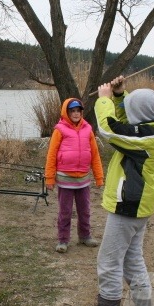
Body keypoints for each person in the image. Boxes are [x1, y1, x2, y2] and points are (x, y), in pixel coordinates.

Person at [81, 76, 154, 306]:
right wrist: (121, 97)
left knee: (109, 262)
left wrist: (104, 100)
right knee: (132, 259)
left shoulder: (146, 137)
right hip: (139, 204)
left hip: (128, 206)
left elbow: (110, 129)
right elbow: (128, 124)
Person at [45, 98, 105, 253]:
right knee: (65, 212)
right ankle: (63, 240)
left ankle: (85, 236)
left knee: (84, 210)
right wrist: (49, 178)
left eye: (78, 111)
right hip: (65, 179)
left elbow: (95, 155)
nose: (76, 113)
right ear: (67, 112)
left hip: (83, 180)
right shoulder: (59, 130)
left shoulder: (88, 130)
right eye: (73, 111)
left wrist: (99, 177)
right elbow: (51, 155)